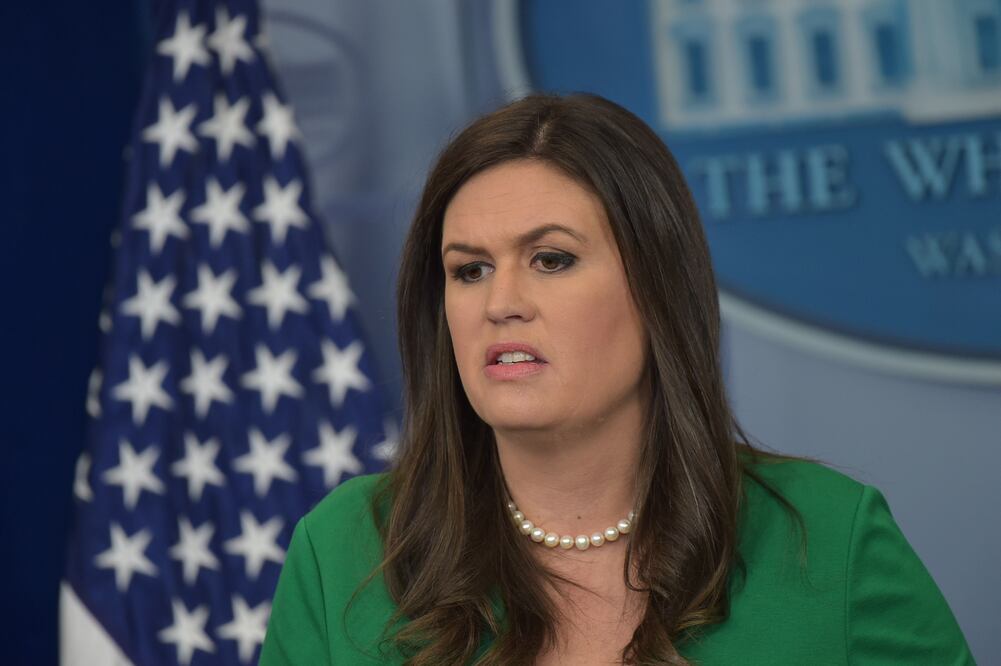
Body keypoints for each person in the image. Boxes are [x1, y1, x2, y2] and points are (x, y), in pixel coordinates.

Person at [259, 93, 973, 665]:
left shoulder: (828, 536)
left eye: (551, 259)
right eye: (468, 269)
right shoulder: (348, 547)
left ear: (656, 289)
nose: (500, 300)